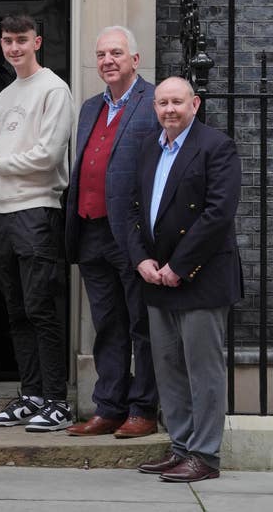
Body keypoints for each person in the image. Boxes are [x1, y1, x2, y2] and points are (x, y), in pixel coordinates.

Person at [0, 13, 74, 432]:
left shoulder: (55, 89)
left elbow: (47, 155)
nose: (14, 48)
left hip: (37, 209)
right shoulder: (5, 94)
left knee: (42, 308)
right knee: (17, 309)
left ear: (37, 41)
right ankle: (33, 394)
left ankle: (58, 401)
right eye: (7, 41)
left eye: (22, 40)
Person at [130, 77, 242, 483]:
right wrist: (141, 258)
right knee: (169, 367)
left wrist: (178, 266)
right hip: (156, 276)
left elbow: (218, 214)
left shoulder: (217, 146)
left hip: (201, 277)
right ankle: (180, 447)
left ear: (194, 104)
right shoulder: (148, 146)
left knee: (203, 368)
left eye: (177, 102)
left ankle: (205, 455)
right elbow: (133, 208)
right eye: (162, 103)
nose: (169, 110)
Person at [64, 26, 159, 438]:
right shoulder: (89, 107)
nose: (107, 61)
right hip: (90, 231)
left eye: (116, 53)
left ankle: (143, 409)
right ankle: (109, 407)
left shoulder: (153, 101)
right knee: (107, 325)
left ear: (134, 60)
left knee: (142, 325)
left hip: (132, 234)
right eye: (101, 54)